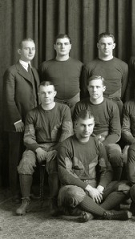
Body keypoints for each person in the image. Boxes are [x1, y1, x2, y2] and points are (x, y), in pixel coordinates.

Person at [57, 109, 131, 222]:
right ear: (76, 125)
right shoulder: (65, 145)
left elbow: (107, 170)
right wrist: (89, 189)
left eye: (90, 125)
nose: (87, 129)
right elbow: (65, 175)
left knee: (125, 186)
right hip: (74, 188)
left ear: (93, 125)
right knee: (73, 193)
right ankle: (107, 214)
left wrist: (100, 188)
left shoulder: (97, 144)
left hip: (95, 188)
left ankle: (92, 212)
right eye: (83, 125)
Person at [15, 81, 72, 216]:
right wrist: (37, 149)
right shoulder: (32, 113)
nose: (46, 96)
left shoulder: (64, 109)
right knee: (25, 163)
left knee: (53, 165)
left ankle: (52, 201)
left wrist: (55, 149)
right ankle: (25, 201)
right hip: (37, 146)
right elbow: (28, 137)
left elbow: (67, 134)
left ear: (54, 93)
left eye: (49, 92)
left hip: (57, 146)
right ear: (38, 94)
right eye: (43, 93)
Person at [3, 38, 40, 199]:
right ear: (19, 51)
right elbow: (8, 99)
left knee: (28, 156)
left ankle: (27, 190)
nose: (31, 51)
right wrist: (17, 120)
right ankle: (15, 192)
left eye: (32, 48)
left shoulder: (34, 71)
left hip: (32, 122)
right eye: (27, 49)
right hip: (17, 123)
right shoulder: (12, 71)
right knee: (16, 156)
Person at [73, 76, 124, 181]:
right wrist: (92, 142)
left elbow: (116, 133)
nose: (94, 90)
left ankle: (114, 184)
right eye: (91, 87)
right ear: (87, 88)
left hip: (107, 142)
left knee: (116, 154)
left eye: (97, 87)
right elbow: (76, 129)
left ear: (103, 88)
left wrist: (101, 145)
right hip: (85, 140)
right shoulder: (80, 105)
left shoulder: (112, 106)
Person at [83, 32, 128, 116]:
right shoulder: (89, 66)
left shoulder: (123, 66)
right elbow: (85, 89)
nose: (106, 47)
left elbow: (124, 88)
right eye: (103, 44)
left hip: (116, 106)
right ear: (98, 45)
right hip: (95, 105)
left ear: (113, 46)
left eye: (109, 44)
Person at [39, 34, 83, 111]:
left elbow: (83, 86)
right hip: (53, 102)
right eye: (59, 44)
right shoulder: (45, 66)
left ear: (70, 46)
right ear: (54, 46)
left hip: (74, 102)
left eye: (66, 44)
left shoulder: (79, 65)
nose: (63, 46)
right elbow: (41, 85)